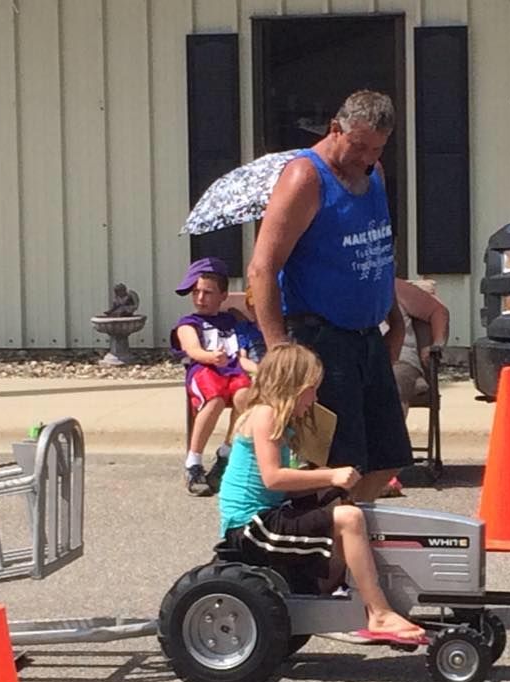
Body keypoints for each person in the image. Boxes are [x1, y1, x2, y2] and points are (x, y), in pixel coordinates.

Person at [247, 89, 411, 503]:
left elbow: (377, 251)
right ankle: (332, 535)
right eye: (359, 146)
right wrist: (280, 353)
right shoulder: (306, 178)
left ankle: (350, 529)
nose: (366, 158)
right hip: (321, 337)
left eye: (377, 149)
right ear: (335, 128)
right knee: (337, 465)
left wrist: (395, 319)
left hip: (367, 335)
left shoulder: (374, 174)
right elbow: (262, 269)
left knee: (388, 458)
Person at [218, 342, 425, 642]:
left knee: (343, 509)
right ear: (293, 387)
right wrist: (331, 475)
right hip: (251, 526)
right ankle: (378, 612)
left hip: (266, 515)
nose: (315, 398)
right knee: (349, 519)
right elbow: (272, 478)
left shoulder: (278, 421)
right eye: (312, 390)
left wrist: (326, 484)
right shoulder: (265, 415)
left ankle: (336, 601)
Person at [171, 257, 251, 496]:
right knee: (214, 399)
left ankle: (227, 453)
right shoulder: (189, 323)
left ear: (223, 295)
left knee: (246, 396)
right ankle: (193, 463)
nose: (200, 298)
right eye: (195, 292)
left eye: (207, 292)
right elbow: (192, 349)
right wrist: (210, 356)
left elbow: (246, 345)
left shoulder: (233, 321)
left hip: (234, 370)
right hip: (204, 370)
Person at [382, 277, 451, 496]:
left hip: (401, 359)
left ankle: (386, 468)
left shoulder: (395, 286)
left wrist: (436, 344)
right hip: (361, 356)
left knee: (392, 383)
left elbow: (438, 311)